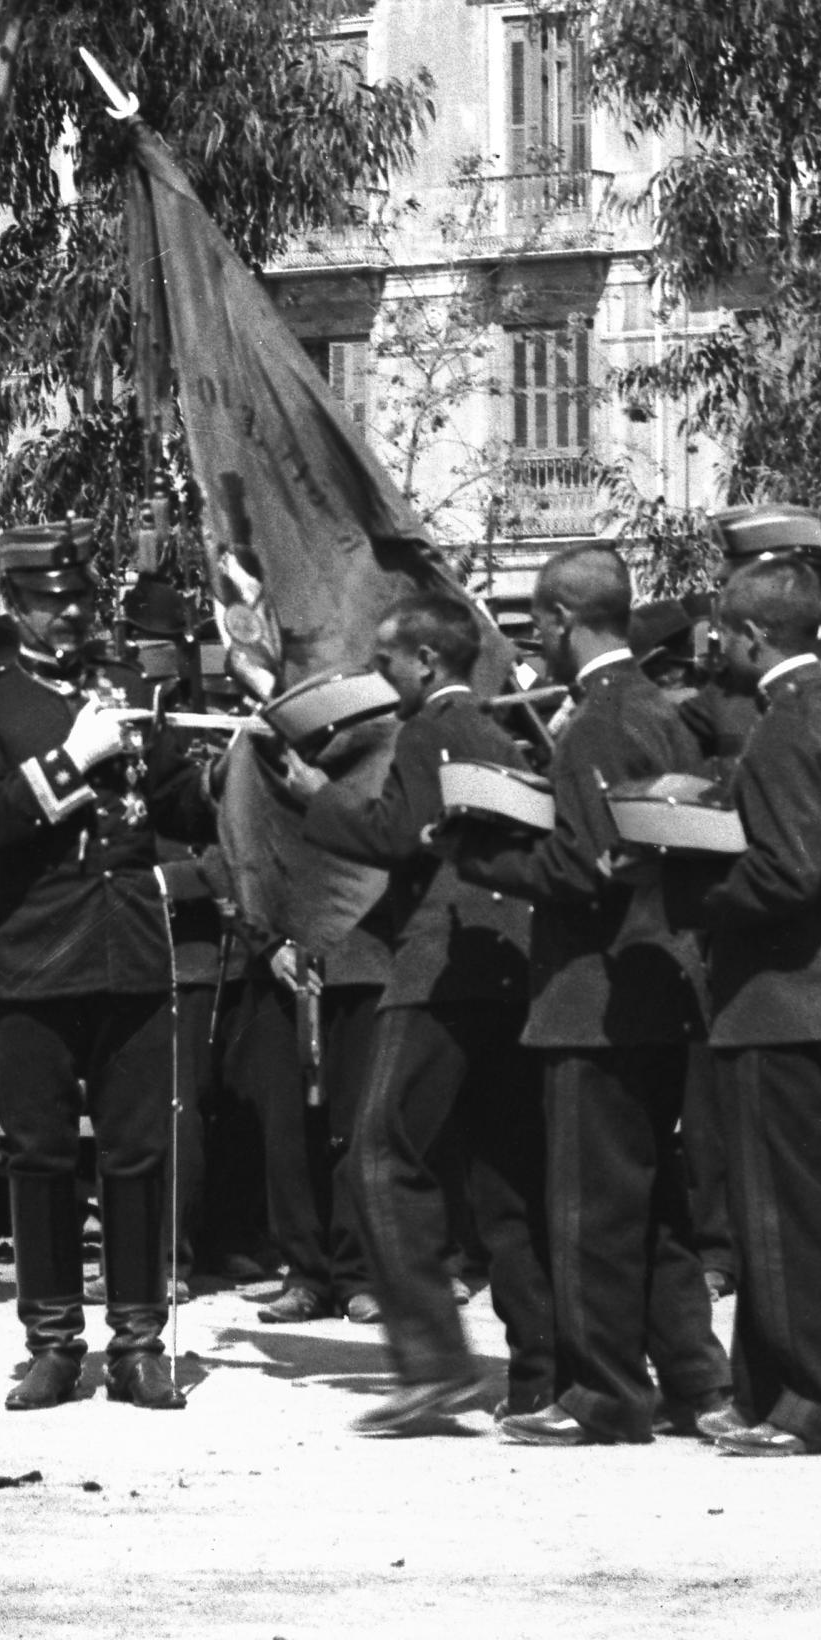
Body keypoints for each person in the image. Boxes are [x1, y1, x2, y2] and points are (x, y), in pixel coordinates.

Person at [290, 580, 559, 1439]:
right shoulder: (494, 730)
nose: (380, 678)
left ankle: (435, 1364)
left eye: (386, 663)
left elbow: (395, 837)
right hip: (509, 970)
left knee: (379, 1154)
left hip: (439, 966)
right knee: (504, 1180)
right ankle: (541, 1373)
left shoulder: (430, 729)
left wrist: (311, 796)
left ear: (428, 661)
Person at [0, 545, 198, 1412]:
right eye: (52, 602)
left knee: (138, 1156)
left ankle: (137, 1343)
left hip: (130, 953)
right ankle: (51, 1342)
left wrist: (250, 767)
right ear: (14, 605)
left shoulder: (134, 686)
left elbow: (180, 805)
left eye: (82, 599)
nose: (72, 615)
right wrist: (71, 759)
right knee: (41, 1158)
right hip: (36, 959)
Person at [497, 541, 731, 1445]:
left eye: (540, 627)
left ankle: (603, 1392)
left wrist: (488, 849)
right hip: (658, 983)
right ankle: (692, 1377)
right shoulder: (665, 712)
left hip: (593, 993)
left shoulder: (595, 723)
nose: (538, 643)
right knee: (655, 1202)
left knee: (589, 1206)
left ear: (558, 621)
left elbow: (587, 865)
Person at [686, 553, 821, 1458]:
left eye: (725, 632)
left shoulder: (782, 730)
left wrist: (689, 883)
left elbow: (783, 874)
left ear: (750, 634)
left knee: (783, 1213)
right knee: (817, 1208)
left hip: (784, 999)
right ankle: (773, 1388)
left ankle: (814, 1405)